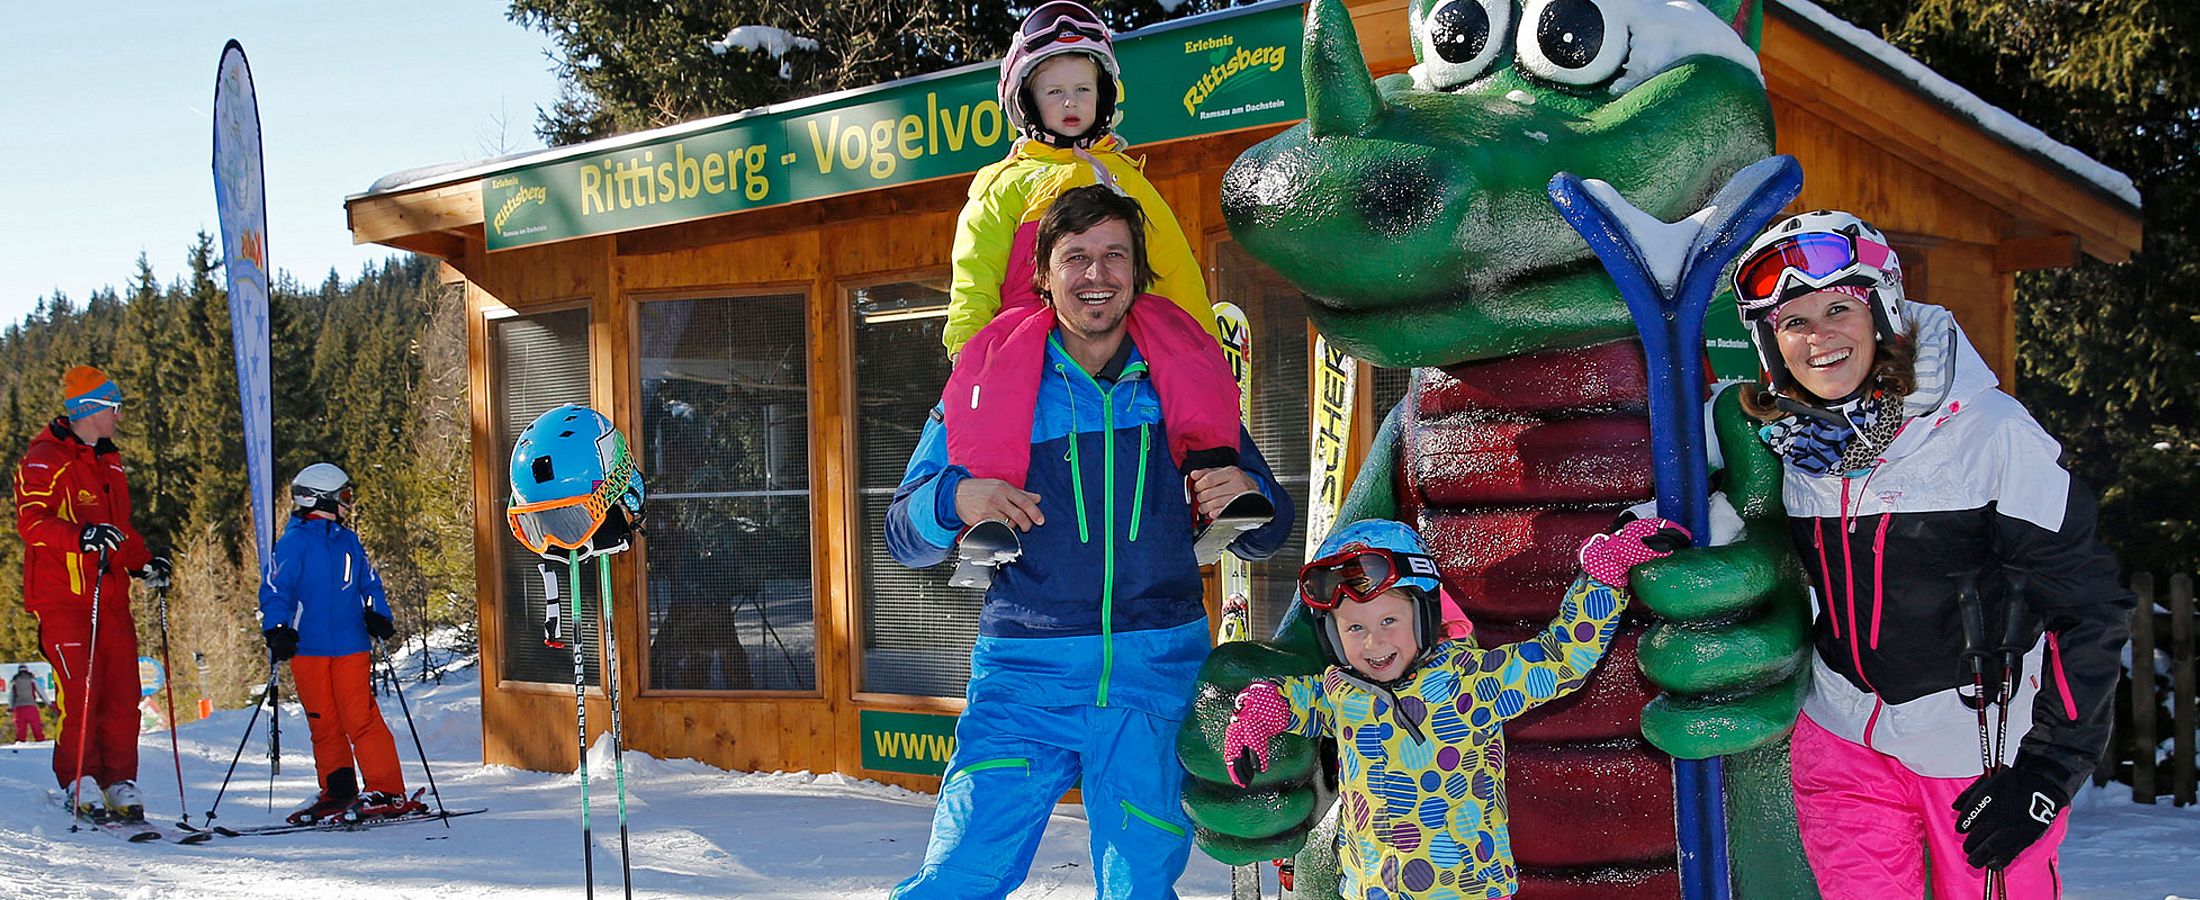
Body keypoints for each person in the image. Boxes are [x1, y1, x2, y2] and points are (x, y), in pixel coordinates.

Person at [885, 185, 1295, 899]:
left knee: (1139, 888)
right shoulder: (987, 383)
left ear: (1138, 272)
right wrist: (955, 498)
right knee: (957, 879)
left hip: (1155, 676)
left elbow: (1267, 535)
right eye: (1076, 257)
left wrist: (1247, 502)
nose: (1096, 274)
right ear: (1044, 273)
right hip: (1023, 678)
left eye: (1114, 255)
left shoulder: (1184, 384)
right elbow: (904, 534)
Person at [1729, 210, 2133, 899]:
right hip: (1843, 744)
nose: (1818, 336)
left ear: (1884, 309)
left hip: (1977, 754)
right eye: (1792, 322)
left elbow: (2090, 608)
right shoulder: (1797, 445)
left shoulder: (1990, 433)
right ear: (1771, 344)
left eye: (1837, 308)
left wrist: (2045, 775)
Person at [1209, 517, 1679, 899]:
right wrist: (1262, 712)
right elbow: (1300, 702)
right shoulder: (1343, 693)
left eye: (1390, 620)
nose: (1374, 642)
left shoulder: (1471, 683)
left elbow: (1562, 659)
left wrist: (1603, 576)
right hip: (1367, 890)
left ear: (1426, 614)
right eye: (1353, 629)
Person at [946, 2, 1258, 556]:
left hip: (1130, 317)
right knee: (998, 387)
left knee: (1184, 355)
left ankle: (1214, 486)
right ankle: (989, 516)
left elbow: (1174, 263)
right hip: (1026, 322)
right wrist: (972, 345)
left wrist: (1198, 336)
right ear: (1027, 101)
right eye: (1055, 92)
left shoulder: (1129, 181)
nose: (1070, 104)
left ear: (1104, 98)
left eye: (1083, 91)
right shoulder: (1006, 183)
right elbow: (975, 268)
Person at [13, 366, 167, 820]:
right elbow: (32, 521)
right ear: (93, 410)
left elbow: (118, 530)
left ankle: (118, 779)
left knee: (122, 692)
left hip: (111, 597)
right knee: (80, 691)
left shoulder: (108, 461)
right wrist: (81, 536)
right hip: (66, 598)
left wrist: (143, 562)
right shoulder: (46, 457)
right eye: (115, 408)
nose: (119, 417)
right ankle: (78, 777)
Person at [258, 462, 422, 824]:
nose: (349, 504)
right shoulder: (293, 544)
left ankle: (387, 789)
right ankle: (339, 787)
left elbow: (369, 583)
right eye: (344, 497)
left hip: (350, 644)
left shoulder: (349, 541)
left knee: (359, 717)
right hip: (309, 648)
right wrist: (278, 628)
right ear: (321, 500)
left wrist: (377, 613)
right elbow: (275, 591)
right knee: (324, 721)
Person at [10, 665, 49, 742]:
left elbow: (11, 696)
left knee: (20, 731)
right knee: (37, 728)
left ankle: (20, 747)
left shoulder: (14, 682)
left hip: (19, 708)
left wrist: (10, 707)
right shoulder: (32, 680)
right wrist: (48, 703)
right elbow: (41, 693)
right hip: (31, 707)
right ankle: (41, 743)